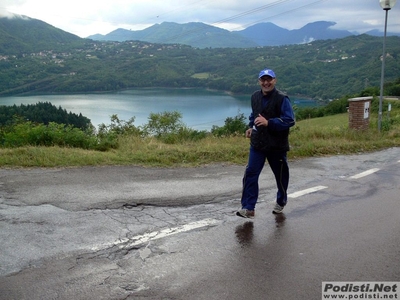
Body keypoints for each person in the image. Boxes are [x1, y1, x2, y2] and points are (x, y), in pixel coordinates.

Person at [236, 68, 295, 219]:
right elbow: (254, 115)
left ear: (275, 80)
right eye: (263, 80)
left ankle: (281, 200)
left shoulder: (282, 98)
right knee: (250, 173)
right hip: (258, 144)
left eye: (269, 79)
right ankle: (248, 208)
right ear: (259, 81)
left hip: (276, 145)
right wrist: (251, 126)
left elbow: (289, 120)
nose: (266, 82)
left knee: (281, 175)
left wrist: (269, 122)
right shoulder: (255, 96)